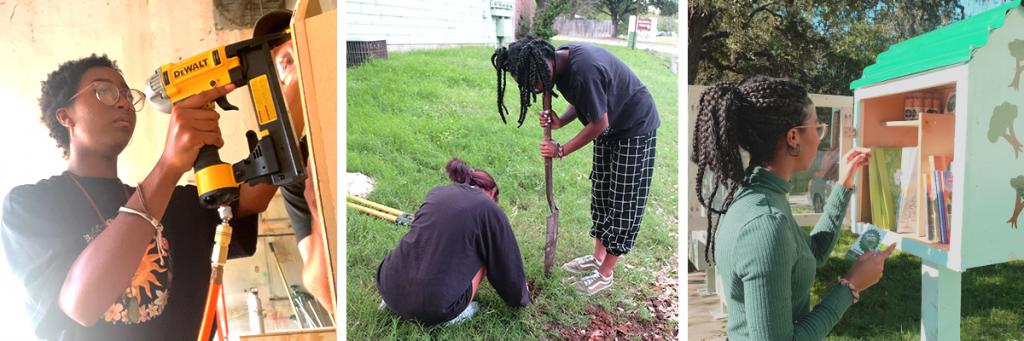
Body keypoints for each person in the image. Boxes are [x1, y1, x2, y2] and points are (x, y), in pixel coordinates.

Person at [1, 55, 283, 340]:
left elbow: (252, 198)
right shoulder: (30, 207)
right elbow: (81, 305)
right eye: (105, 92)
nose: (124, 102)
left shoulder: (171, 201)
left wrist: (288, 83)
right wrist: (168, 166)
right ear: (66, 116)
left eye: (127, 94)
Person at [692, 76, 893, 340]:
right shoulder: (766, 222)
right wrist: (850, 286)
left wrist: (844, 184)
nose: (820, 138)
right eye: (816, 128)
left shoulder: (758, 194)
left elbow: (812, 253)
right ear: (794, 137)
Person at [491, 36, 660, 295]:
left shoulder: (584, 69)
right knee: (602, 192)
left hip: (635, 125)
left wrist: (561, 149)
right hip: (612, 125)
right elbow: (588, 101)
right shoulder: (559, 65)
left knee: (624, 199)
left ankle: (605, 274)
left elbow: (599, 122)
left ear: (544, 65)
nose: (535, 90)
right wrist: (561, 122)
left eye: (534, 83)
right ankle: (596, 257)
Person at [376, 158, 530, 326]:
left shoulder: (437, 192)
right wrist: (520, 297)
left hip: (386, 285)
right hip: (433, 308)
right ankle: (457, 312)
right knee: (487, 250)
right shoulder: (488, 208)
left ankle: (397, 300)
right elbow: (505, 261)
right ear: (490, 192)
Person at [252, 9, 334, 316]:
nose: (296, 61)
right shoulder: (293, 166)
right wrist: (318, 210)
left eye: (298, 46)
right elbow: (321, 288)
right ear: (280, 83)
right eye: (285, 61)